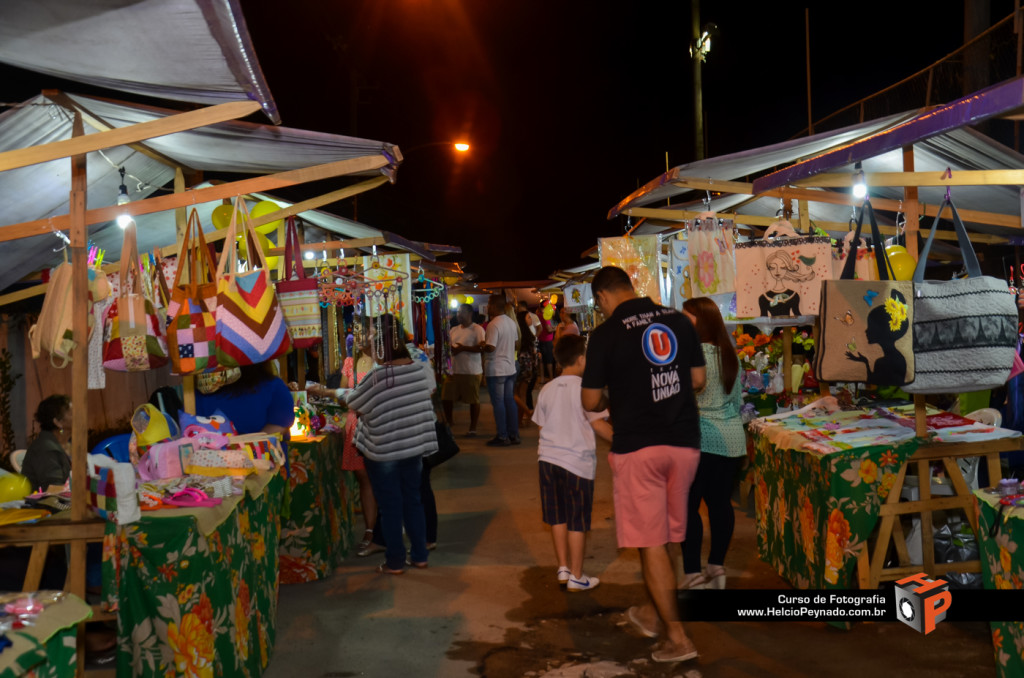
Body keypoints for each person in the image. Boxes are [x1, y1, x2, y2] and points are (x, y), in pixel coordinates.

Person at [581, 265, 705, 664]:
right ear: (631, 286)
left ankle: (677, 639)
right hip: (684, 444)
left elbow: (589, 401)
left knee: (650, 543)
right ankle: (653, 612)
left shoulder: (605, 334)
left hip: (640, 448)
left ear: (602, 297)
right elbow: (698, 379)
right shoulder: (679, 320)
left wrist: (607, 399)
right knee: (667, 535)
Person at [346, 313, 437, 574]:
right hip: (413, 448)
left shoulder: (379, 377)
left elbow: (356, 404)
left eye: (374, 341)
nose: (370, 347)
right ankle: (419, 555)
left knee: (391, 506)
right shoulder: (417, 370)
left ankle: (395, 561)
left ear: (384, 344)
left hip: (384, 451)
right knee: (413, 501)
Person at [533, 334, 612, 592]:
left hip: (548, 460)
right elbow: (599, 424)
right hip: (577, 463)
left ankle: (563, 568)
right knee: (578, 519)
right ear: (580, 359)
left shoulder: (547, 389)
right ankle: (578, 576)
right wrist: (624, 441)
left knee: (557, 516)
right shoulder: (586, 390)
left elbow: (542, 426)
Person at [680, 297, 746, 590]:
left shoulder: (691, 357)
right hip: (732, 440)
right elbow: (737, 402)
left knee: (688, 507)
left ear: (700, 323)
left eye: (686, 318)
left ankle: (693, 573)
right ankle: (716, 566)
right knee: (720, 504)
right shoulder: (730, 355)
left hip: (700, 439)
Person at [195, 361, 295, 438]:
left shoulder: (272, 386)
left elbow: (280, 424)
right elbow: (280, 425)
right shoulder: (273, 386)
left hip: (213, 460)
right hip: (261, 459)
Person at [442, 304, 485, 435]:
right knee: (446, 397)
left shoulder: (477, 329)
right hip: (454, 370)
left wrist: (463, 348)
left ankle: (473, 427)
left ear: (470, 313)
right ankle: (449, 421)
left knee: (473, 400)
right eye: (458, 313)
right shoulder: (453, 330)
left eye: (462, 313)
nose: (458, 315)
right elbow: (448, 346)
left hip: (471, 370)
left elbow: (481, 348)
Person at [483, 294, 520, 446]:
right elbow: (517, 344)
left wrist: (480, 346)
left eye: (489, 304)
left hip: (496, 368)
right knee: (509, 401)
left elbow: (490, 347)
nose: (487, 307)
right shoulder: (511, 322)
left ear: (494, 306)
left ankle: (502, 435)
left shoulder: (493, 324)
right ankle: (514, 435)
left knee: (498, 403)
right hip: (510, 367)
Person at [21, 395, 72, 491]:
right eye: (73, 414)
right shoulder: (45, 449)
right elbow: (53, 489)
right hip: (46, 504)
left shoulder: (67, 444)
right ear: (58, 422)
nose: (81, 416)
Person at [758, 249, 814, 317]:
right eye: (773, 267)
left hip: (791, 327)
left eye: (782, 267)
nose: (777, 271)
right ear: (769, 269)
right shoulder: (763, 298)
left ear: (787, 268)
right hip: (771, 327)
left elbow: (798, 317)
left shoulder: (794, 295)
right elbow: (763, 320)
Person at [514, 311, 537, 427]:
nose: (531, 319)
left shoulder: (519, 333)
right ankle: (521, 418)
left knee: (517, 393)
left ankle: (524, 416)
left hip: (521, 363)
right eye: (528, 317)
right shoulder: (526, 333)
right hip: (527, 364)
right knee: (521, 393)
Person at [537, 300, 556, 383]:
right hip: (547, 341)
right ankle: (551, 378)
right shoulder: (546, 316)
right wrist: (556, 328)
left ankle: (542, 378)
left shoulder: (537, 315)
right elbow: (548, 329)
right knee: (549, 360)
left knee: (541, 360)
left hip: (539, 340)